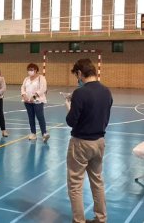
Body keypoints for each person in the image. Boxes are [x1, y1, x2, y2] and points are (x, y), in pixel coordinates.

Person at [65, 58, 112, 223]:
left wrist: (69, 107)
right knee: (97, 180)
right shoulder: (107, 91)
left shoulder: (80, 93)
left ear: (79, 73)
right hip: (99, 142)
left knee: (75, 183)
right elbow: (105, 118)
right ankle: (101, 218)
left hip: (81, 143)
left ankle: (79, 220)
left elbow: (71, 121)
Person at [21, 63, 50, 142]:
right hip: (27, 101)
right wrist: (24, 95)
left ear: (36, 70)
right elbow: (23, 88)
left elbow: (43, 89)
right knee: (31, 117)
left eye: (31, 70)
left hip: (38, 101)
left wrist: (34, 97)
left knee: (40, 117)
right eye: (29, 70)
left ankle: (44, 133)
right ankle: (33, 133)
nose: (30, 71)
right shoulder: (26, 79)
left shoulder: (41, 78)